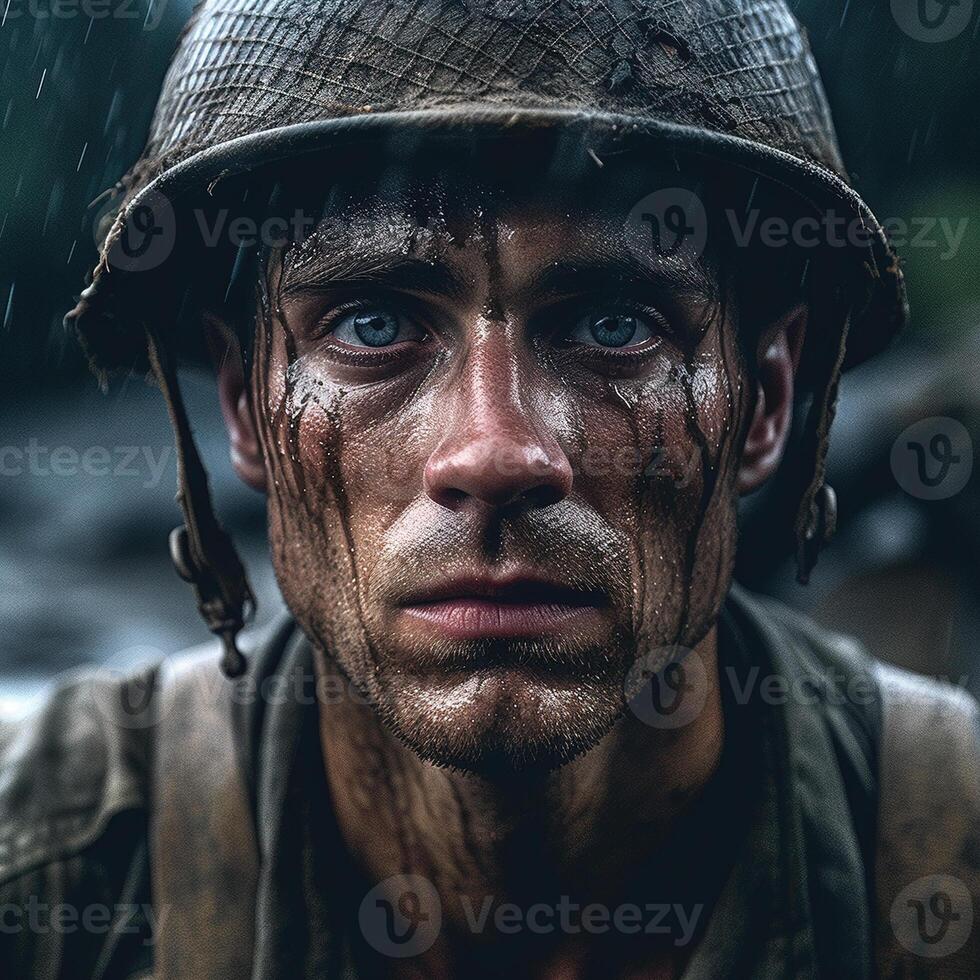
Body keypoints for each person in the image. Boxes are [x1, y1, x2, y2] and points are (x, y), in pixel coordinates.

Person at [1, 1, 977, 977]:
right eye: (374, 326)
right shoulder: (45, 869)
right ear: (246, 409)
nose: (494, 452)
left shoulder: (950, 841)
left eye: (610, 324)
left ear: (764, 402)